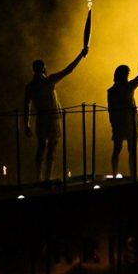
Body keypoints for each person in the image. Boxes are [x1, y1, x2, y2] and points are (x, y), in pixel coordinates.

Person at [24, 47, 88, 182]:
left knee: (41, 148)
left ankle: (39, 178)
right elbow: (69, 70)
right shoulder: (49, 81)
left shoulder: (30, 86)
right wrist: (80, 55)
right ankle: (46, 177)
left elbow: (26, 106)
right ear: (43, 69)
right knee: (51, 150)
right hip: (52, 119)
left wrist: (27, 124)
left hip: (41, 119)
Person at [107, 48, 138, 177]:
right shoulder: (127, 87)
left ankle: (115, 173)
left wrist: (113, 123)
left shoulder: (112, 91)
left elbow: (110, 110)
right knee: (130, 150)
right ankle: (132, 175)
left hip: (120, 123)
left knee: (118, 149)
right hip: (129, 122)